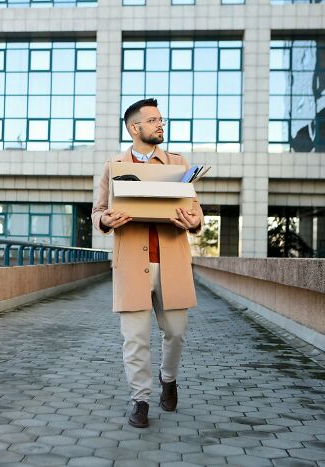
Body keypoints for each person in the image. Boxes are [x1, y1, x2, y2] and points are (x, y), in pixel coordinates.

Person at [91, 98, 204, 428]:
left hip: (172, 263)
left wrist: (192, 221)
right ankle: (140, 399)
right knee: (135, 338)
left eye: (161, 119)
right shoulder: (113, 166)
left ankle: (168, 378)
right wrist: (106, 220)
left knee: (176, 333)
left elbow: (196, 210)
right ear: (133, 128)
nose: (160, 124)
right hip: (131, 266)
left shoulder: (178, 163)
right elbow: (97, 211)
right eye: (153, 120)